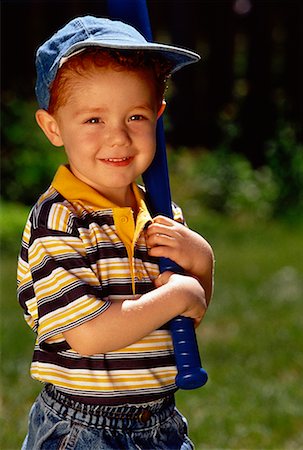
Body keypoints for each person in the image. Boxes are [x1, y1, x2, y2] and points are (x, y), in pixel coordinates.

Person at [18, 15, 214, 450]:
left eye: (136, 115)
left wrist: (201, 263)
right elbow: (89, 334)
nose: (118, 137)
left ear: (158, 115)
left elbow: (187, 312)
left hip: (162, 422)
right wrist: (179, 294)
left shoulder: (161, 213)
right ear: (53, 127)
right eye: (93, 120)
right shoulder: (60, 220)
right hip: (84, 427)